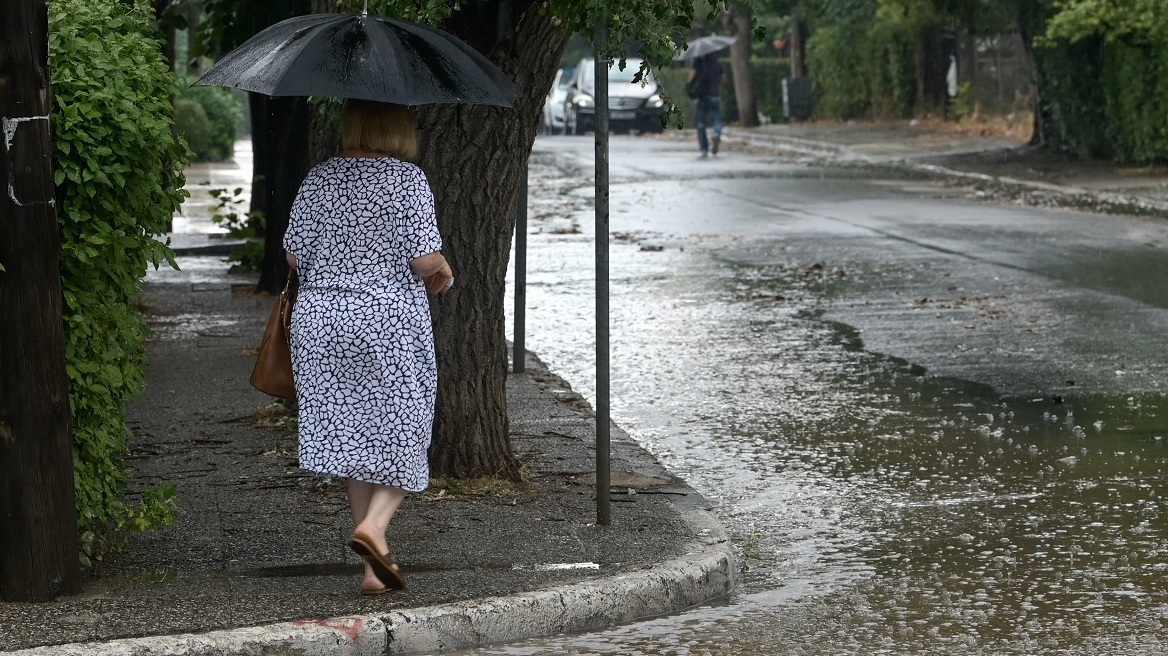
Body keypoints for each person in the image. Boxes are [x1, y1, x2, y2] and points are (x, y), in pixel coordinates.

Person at [282, 99, 454, 596]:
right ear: (398, 127)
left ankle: (373, 569)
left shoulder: (318, 179)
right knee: (407, 428)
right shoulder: (406, 179)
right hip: (385, 325)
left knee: (352, 439)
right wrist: (443, 269)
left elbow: (295, 256)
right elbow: (423, 260)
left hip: (321, 325)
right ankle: (374, 528)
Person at [689, 54, 724, 158]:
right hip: (715, 95)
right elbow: (723, 80)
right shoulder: (717, 64)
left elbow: (691, 77)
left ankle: (704, 148)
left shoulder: (698, 63)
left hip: (701, 96)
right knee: (718, 118)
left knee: (700, 122)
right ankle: (716, 133)